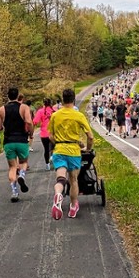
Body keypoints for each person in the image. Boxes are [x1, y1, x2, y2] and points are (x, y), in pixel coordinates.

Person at [49, 88, 94, 220]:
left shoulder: (55, 115)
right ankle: (73, 207)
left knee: (61, 179)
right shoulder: (78, 115)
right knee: (73, 180)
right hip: (74, 151)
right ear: (73, 99)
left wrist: (58, 142)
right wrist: (87, 148)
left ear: (63, 99)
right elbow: (90, 136)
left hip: (59, 150)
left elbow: (50, 135)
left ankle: (58, 194)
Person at [0, 87, 33, 202]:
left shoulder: (1, 109)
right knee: (24, 162)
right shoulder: (24, 107)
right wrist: (30, 133)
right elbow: (29, 122)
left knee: (12, 167)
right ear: (18, 96)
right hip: (21, 140)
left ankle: (14, 192)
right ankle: (22, 175)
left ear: (8, 96)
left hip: (9, 141)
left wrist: (4, 126)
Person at [33, 98, 56, 170]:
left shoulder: (40, 111)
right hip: (53, 133)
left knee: (46, 149)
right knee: (54, 147)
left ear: (43, 103)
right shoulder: (54, 110)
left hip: (44, 133)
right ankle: (52, 157)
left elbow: (35, 121)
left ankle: (47, 165)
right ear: (51, 103)